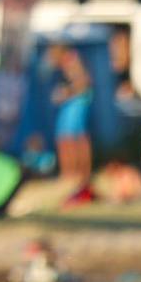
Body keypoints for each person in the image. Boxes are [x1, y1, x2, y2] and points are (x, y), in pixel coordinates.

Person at [50, 43, 95, 206]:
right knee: (67, 137)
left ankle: (75, 173)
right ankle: (73, 173)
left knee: (71, 138)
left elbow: (83, 83)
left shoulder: (71, 60)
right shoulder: (69, 61)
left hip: (77, 101)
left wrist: (66, 93)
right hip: (76, 100)